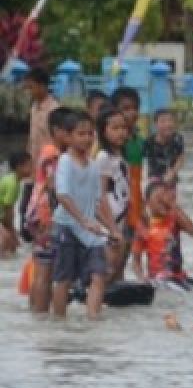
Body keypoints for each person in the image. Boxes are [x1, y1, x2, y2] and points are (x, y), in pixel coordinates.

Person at [50, 111, 122, 320]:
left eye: (91, 134)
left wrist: (113, 229)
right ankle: (59, 323)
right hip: (66, 226)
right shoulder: (65, 160)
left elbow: (98, 203)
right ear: (69, 137)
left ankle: (93, 321)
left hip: (90, 231)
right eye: (81, 134)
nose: (87, 138)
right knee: (64, 279)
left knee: (99, 274)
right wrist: (83, 220)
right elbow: (62, 195)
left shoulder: (93, 165)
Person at [26, 107, 75, 313]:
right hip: (47, 216)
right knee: (45, 272)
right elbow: (56, 187)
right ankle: (41, 314)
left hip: (38, 214)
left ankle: (37, 315)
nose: (74, 137)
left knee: (41, 268)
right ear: (56, 131)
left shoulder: (48, 151)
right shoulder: (54, 155)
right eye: (70, 132)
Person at [132, 179, 193, 288]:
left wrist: (173, 205)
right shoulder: (143, 226)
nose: (163, 202)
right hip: (158, 278)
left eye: (165, 199)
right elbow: (136, 261)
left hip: (178, 276)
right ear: (147, 202)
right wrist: (142, 279)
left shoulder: (174, 219)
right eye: (158, 199)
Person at [93, 106, 133, 281]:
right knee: (107, 270)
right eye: (115, 128)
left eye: (123, 128)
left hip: (121, 217)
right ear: (103, 131)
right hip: (109, 221)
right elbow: (99, 194)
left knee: (118, 268)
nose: (121, 133)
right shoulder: (103, 157)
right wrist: (111, 227)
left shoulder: (121, 156)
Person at [112, 87, 146, 231]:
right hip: (116, 204)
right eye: (125, 108)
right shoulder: (110, 143)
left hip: (137, 202)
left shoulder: (140, 140)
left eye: (135, 108)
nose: (131, 113)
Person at [23, 67, 59, 164]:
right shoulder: (34, 107)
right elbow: (32, 137)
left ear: (42, 86)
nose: (29, 91)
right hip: (34, 162)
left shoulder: (54, 110)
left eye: (31, 87)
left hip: (48, 162)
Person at [1, 152, 33, 257]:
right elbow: (8, 210)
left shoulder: (15, 181)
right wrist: (12, 232)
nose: (32, 168)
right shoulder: (12, 184)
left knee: (12, 245)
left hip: (2, 217)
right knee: (6, 239)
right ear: (19, 167)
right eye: (29, 165)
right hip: (3, 216)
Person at [144, 108, 186, 184]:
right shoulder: (149, 142)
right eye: (163, 121)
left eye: (170, 120)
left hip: (172, 178)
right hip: (154, 179)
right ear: (155, 124)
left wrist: (173, 172)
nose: (168, 124)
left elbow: (181, 158)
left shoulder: (178, 138)